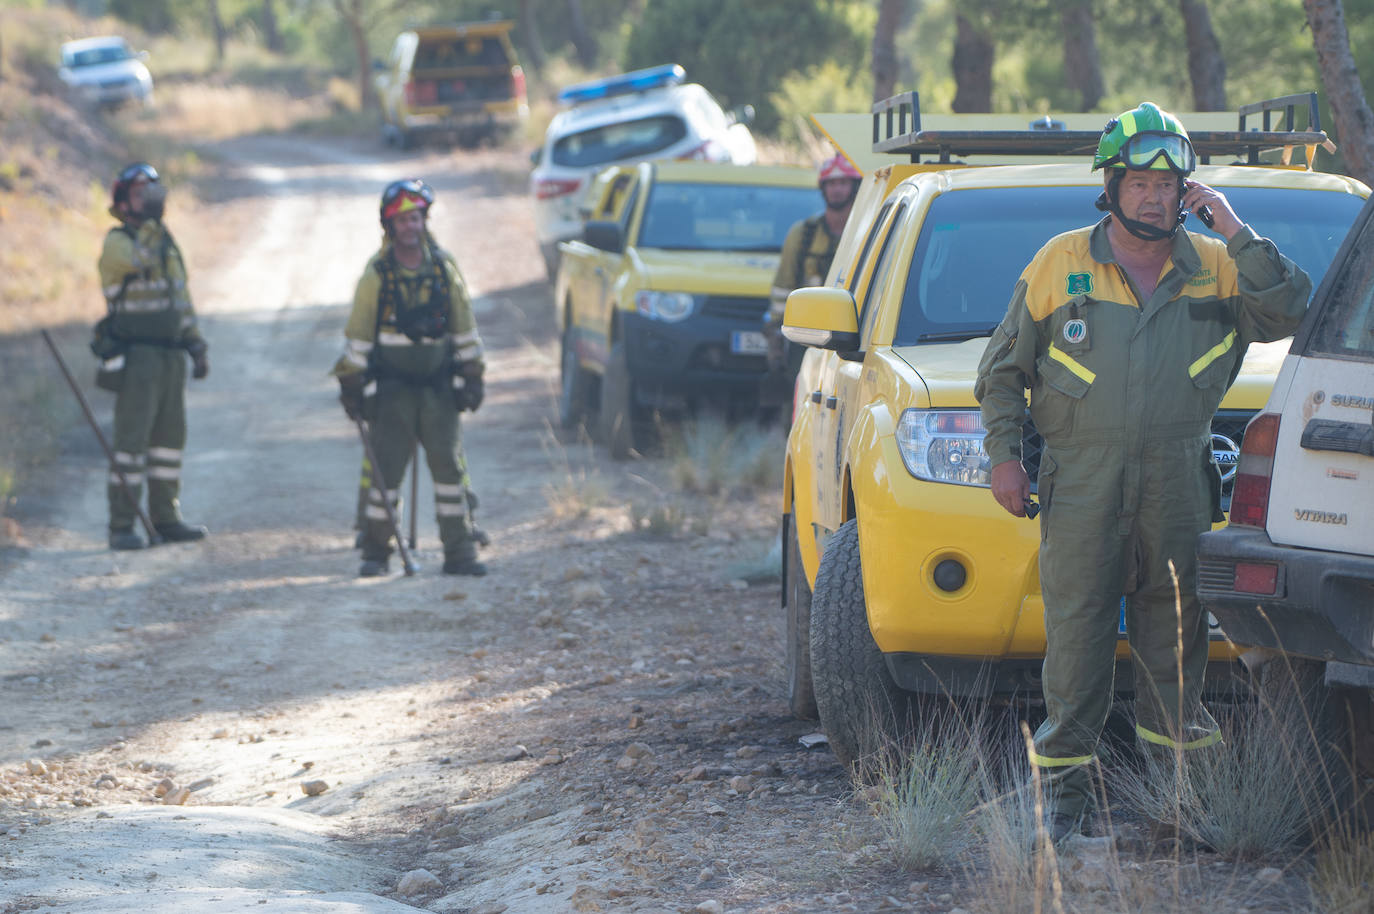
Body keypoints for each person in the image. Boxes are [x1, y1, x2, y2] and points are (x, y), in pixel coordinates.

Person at [974, 103, 1312, 840]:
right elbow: (1002, 372)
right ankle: (1061, 807)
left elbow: (1292, 307)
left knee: (1178, 645)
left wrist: (1233, 226)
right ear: (1112, 186)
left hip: (1177, 485)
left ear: (1186, 191)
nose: (1155, 197)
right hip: (1081, 485)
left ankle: (1180, 803)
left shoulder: (1218, 265)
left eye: (1170, 185)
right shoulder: (1059, 263)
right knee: (1077, 643)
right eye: (1139, 184)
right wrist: (1005, 457)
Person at [333, 179, 487, 578]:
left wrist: (473, 375)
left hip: (439, 388)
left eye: (415, 218)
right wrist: (351, 383)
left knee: (449, 471)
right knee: (386, 472)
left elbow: (464, 325)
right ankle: (376, 552)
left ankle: (460, 551)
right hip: (393, 392)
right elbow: (359, 334)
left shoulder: (443, 269)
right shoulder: (377, 275)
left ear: (425, 221)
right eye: (402, 220)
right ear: (389, 225)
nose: (410, 227)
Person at [94, 162, 209, 550]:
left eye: (154, 192)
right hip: (137, 357)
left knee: (168, 443)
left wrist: (194, 340)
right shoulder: (119, 241)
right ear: (123, 201)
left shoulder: (167, 241)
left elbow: (181, 296)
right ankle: (122, 525)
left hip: (170, 357)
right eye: (141, 194)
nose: (150, 200)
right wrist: (151, 223)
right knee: (132, 444)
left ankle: (166, 518)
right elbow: (139, 260)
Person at [763, 153, 862, 394]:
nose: (836, 190)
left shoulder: (865, 232)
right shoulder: (803, 235)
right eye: (831, 184)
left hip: (854, 336)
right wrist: (776, 335)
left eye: (842, 183)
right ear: (823, 188)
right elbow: (783, 287)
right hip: (806, 337)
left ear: (855, 187)